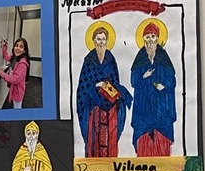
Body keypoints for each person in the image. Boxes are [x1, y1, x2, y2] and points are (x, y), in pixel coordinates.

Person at [74, 21, 129, 156]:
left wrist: (109, 87)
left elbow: (115, 81)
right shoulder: (89, 60)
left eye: (103, 39)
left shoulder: (110, 59)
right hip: (94, 109)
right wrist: (96, 85)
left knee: (109, 141)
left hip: (110, 110)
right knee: (95, 141)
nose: (101, 42)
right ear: (93, 41)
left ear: (107, 41)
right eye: (98, 39)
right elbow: (83, 85)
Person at [128, 19, 178, 154]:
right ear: (143, 39)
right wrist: (144, 76)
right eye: (147, 37)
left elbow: (172, 81)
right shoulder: (140, 58)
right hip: (143, 111)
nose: (150, 40)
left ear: (157, 38)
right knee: (144, 148)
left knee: (161, 148)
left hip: (161, 110)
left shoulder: (163, 58)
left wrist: (164, 86)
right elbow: (134, 81)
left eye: (153, 36)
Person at [0, 36, 33, 110]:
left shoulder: (22, 64)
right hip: (14, 89)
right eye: (16, 45)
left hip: (18, 91)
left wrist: (2, 73)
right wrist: (4, 46)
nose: (18, 48)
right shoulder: (14, 58)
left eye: (21, 47)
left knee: (17, 108)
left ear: (24, 50)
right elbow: (6, 56)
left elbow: (15, 79)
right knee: (15, 106)